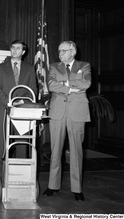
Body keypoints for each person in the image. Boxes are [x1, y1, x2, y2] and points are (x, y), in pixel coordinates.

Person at [43, 40, 91, 201]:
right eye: (59, 51)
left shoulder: (84, 66)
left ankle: (77, 189)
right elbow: (51, 85)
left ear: (73, 51)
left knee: (76, 150)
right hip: (58, 111)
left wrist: (63, 83)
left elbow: (86, 82)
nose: (60, 54)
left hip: (77, 112)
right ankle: (52, 185)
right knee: (55, 150)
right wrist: (71, 87)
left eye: (64, 51)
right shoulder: (54, 66)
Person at [0, 39, 37, 184]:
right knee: (3, 147)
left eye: (18, 48)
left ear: (23, 52)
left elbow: (33, 90)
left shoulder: (30, 68)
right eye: (13, 48)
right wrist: (10, 102)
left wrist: (21, 102)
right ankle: (0, 180)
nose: (15, 50)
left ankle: (21, 180)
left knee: (22, 146)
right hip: (5, 111)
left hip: (22, 113)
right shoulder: (1, 67)